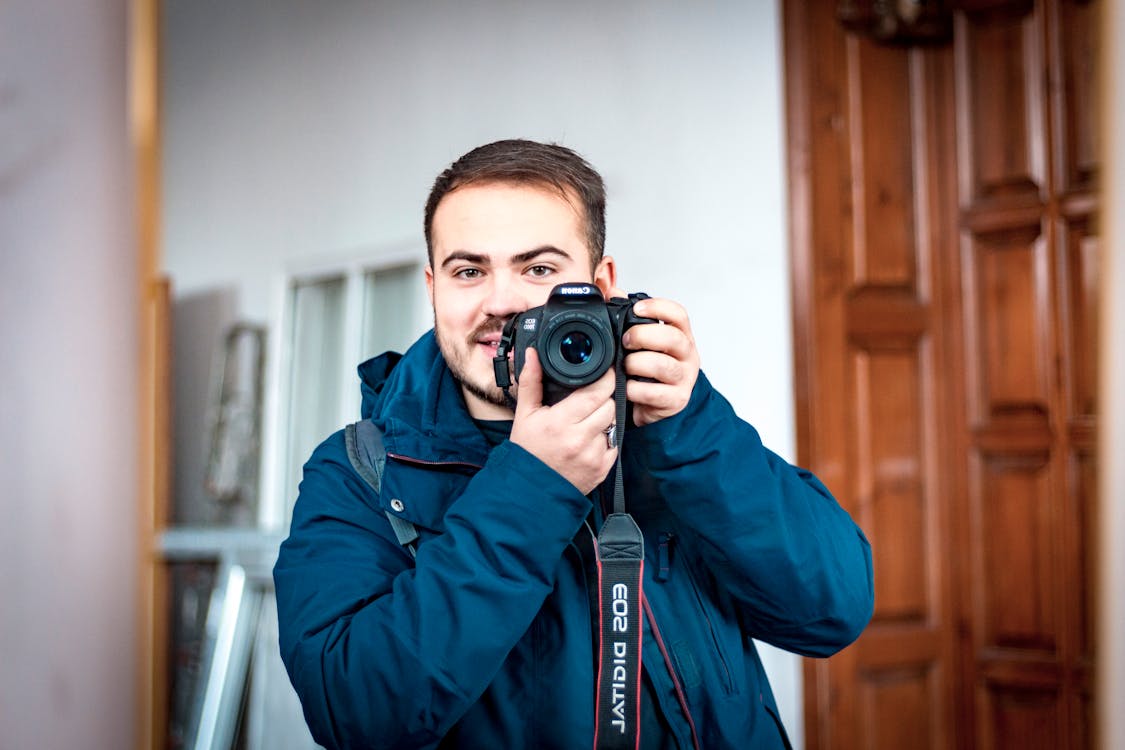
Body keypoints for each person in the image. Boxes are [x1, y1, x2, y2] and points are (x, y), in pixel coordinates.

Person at [273, 139, 873, 749]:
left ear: (601, 283)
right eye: (469, 271)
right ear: (434, 288)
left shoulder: (671, 432)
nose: (501, 301)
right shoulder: (361, 472)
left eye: (538, 269)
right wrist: (532, 486)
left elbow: (832, 610)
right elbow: (352, 711)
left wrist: (693, 429)